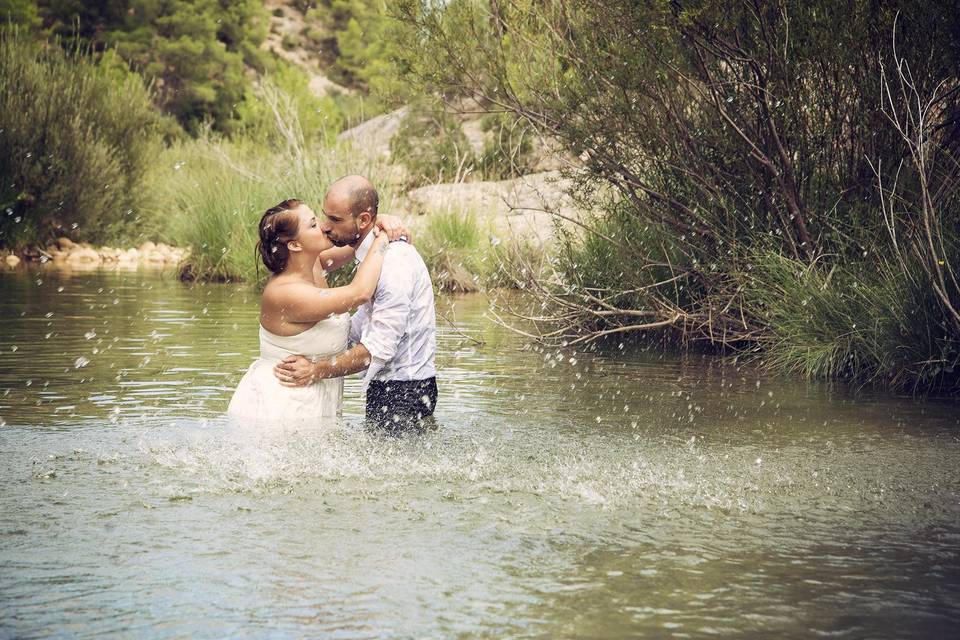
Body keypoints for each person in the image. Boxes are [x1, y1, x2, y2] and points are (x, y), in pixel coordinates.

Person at [273, 175, 438, 432]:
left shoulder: (393, 263)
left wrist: (317, 370)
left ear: (363, 219)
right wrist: (382, 229)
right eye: (324, 217)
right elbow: (361, 324)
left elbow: (378, 349)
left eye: (335, 220)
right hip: (388, 387)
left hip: (405, 390)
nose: (326, 227)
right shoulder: (368, 255)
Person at [226, 197, 405, 427]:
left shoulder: (313, 263)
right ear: (294, 245)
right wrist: (383, 236)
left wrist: (377, 222)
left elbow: (356, 243)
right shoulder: (285, 293)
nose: (323, 225)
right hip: (281, 402)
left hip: (311, 395)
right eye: (312, 225)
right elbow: (360, 292)